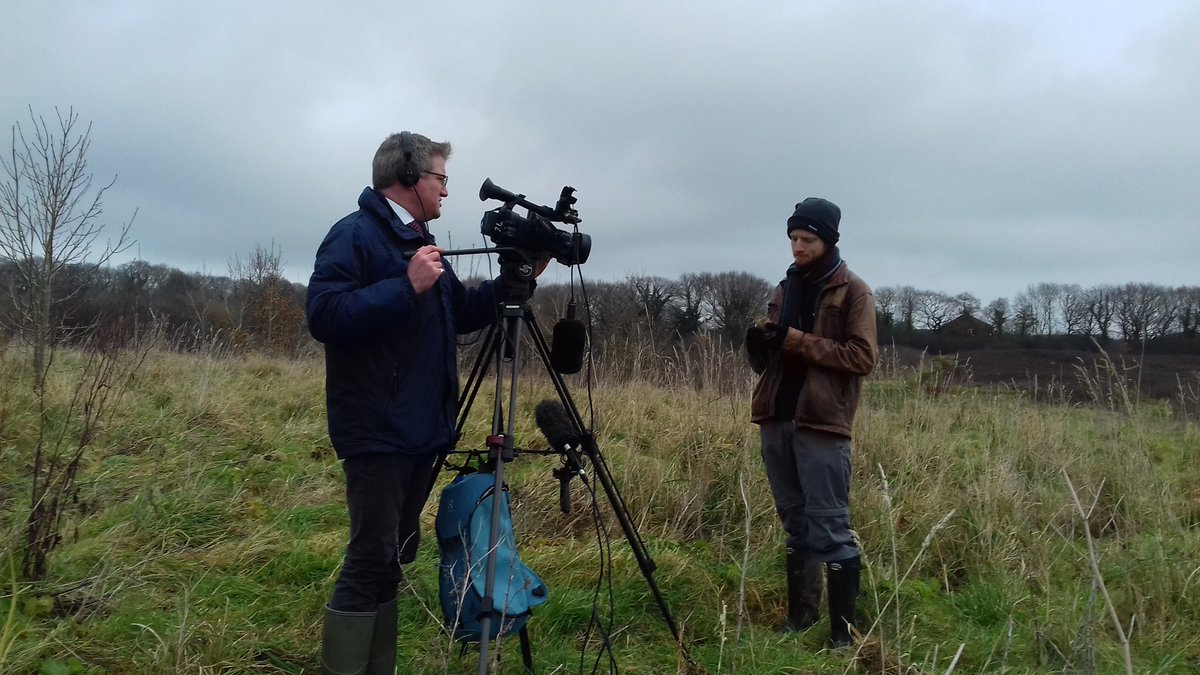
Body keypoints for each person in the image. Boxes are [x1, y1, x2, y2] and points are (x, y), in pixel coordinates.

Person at [306, 131, 502, 674]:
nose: (446, 191)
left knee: (393, 558)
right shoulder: (355, 236)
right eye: (441, 179)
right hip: (376, 429)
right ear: (410, 177)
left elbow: (460, 311)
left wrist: (514, 281)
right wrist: (405, 286)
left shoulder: (417, 241)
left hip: (420, 428)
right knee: (370, 558)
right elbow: (324, 315)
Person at [744, 197, 878, 649]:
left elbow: (862, 357)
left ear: (828, 240)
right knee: (796, 525)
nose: (797, 247)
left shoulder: (853, 291)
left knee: (831, 528)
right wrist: (760, 345)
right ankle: (799, 620)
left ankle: (844, 637)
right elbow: (774, 358)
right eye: (793, 239)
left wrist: (795, 340)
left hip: (822, 424)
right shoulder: (786, 288)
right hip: (776, 416)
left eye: (807, 239)